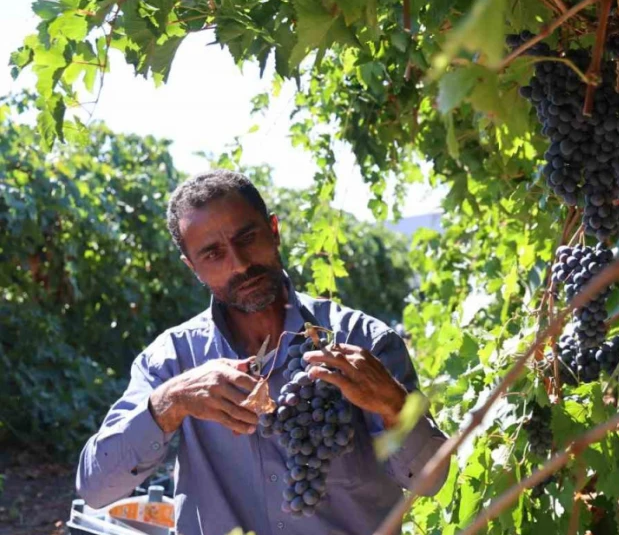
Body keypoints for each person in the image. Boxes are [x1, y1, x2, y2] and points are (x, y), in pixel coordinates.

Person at [75, 170, 448, 535]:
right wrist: (169, 403)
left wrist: (392, 403)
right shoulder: (173, 360)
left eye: (247, 238)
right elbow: (96, 489)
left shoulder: (363, 341)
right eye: (213, 254)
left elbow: (432, 480)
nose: (239, 264)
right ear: (192, 268)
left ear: (274, 230)